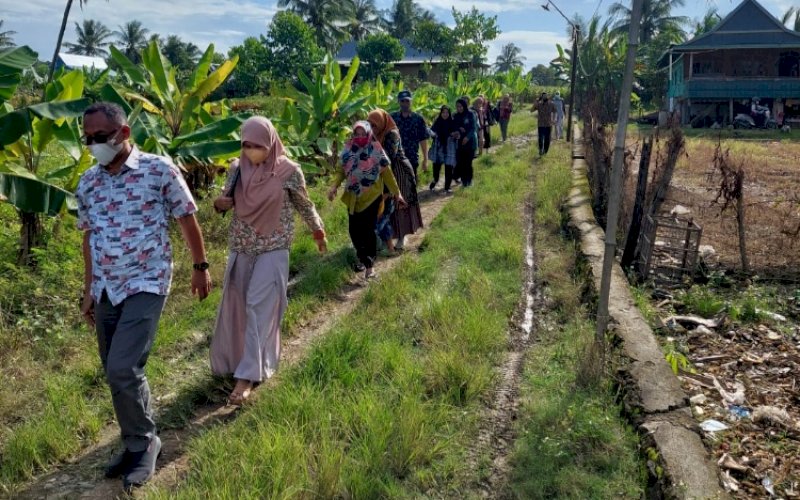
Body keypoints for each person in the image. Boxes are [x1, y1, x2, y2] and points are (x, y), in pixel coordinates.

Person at [76, 102, 212, 492]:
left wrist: (200, 267)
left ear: (124, 133)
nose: (93, 144)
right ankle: (135, 439)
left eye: (100, 137)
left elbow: (187, 217)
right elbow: (88, 237)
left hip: (146, 282)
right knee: (116, 370)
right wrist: (88, 289)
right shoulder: (88, 182)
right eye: (87, 138)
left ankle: (145, 442)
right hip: (106, 286)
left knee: (123, 367)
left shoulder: (158, 170)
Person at [210, 117, 327, 405]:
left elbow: (303, 203)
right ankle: (238, 359)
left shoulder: (289, 170)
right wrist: (219, 204)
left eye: (257, 146)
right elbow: (226, 200)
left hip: (274, 246)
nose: (251, 151)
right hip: (241, 246)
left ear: (271, 143)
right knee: (238, 306)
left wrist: (317, 229)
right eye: (246, 145)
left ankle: (247, 375)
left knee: (258, 306)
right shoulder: (237, 169)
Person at [328, 121, 405, 278]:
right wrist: (334, 186)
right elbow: (342, 171)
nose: (360, 137)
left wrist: (397, 193)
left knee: (368, 230)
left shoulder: (376, 149)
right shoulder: (349, 148)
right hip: (353, 196)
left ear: (369, 134)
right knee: (354, 231)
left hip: (372, 196)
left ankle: (369, 266)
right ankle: (363, 258)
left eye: (363, 134)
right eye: (357, 134)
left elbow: (387, 173)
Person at [368, 109, 423, 251]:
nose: (371, 128)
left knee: (400, 204)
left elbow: (388, 157)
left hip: (399, 171)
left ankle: (401, 237)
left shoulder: (392, 134)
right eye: (370, 125)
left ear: (382, 122)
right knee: (386, 206)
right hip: (384, 172)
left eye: (374, 125)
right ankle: (388, 237)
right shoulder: (374, 134)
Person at [391, 90, 429, 179]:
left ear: (411, 101)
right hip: (396, 158)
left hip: (412, 158)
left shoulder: (418, 119)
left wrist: (425, 159)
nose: (405, 103)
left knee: (411, 185)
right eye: (402, 101)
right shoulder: (392, 118)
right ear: (398, 101)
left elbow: (423, 139)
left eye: (407, 101)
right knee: (397, 186)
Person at [428, 105, 458, 194]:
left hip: (449, 147)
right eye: (443, 112)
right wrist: (433, 134)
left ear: (449, 113)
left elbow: (457, 134)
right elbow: (431, 132)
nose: (445, 114)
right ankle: (435, 181)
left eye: (447, 112)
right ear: (440, 113)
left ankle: (447, 187)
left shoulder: (453, 122)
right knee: (436, 167)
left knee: (449, 168)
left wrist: (455, 134)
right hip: (438, 148)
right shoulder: (437, 122)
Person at [454, 98, 477, 187]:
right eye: (457, 107)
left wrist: (467, 137)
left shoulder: (471, 114)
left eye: (460, 106)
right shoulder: (456, 116)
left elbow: (473, 128)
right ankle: (464, 182)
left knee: (468, 163)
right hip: (459, 143)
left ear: (464, 106)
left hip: (470, 142)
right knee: (461, 163)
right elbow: (454, 126)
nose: (459, 108)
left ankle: (469, 180)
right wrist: (458, 129)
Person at [532, 92, 556, 156]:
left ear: (548, 96)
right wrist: (536, 102)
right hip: (541, 124)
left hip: (548, 124)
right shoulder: (539, 104)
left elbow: (555, 111)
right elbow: (531, 110)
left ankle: (545, 151)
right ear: (542, 97)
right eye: (543, 96)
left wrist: (554, 119)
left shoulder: (551, 104)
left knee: (547, 138)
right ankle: (540, 150)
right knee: (540, 138)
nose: (545, 97)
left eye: (546, 96)